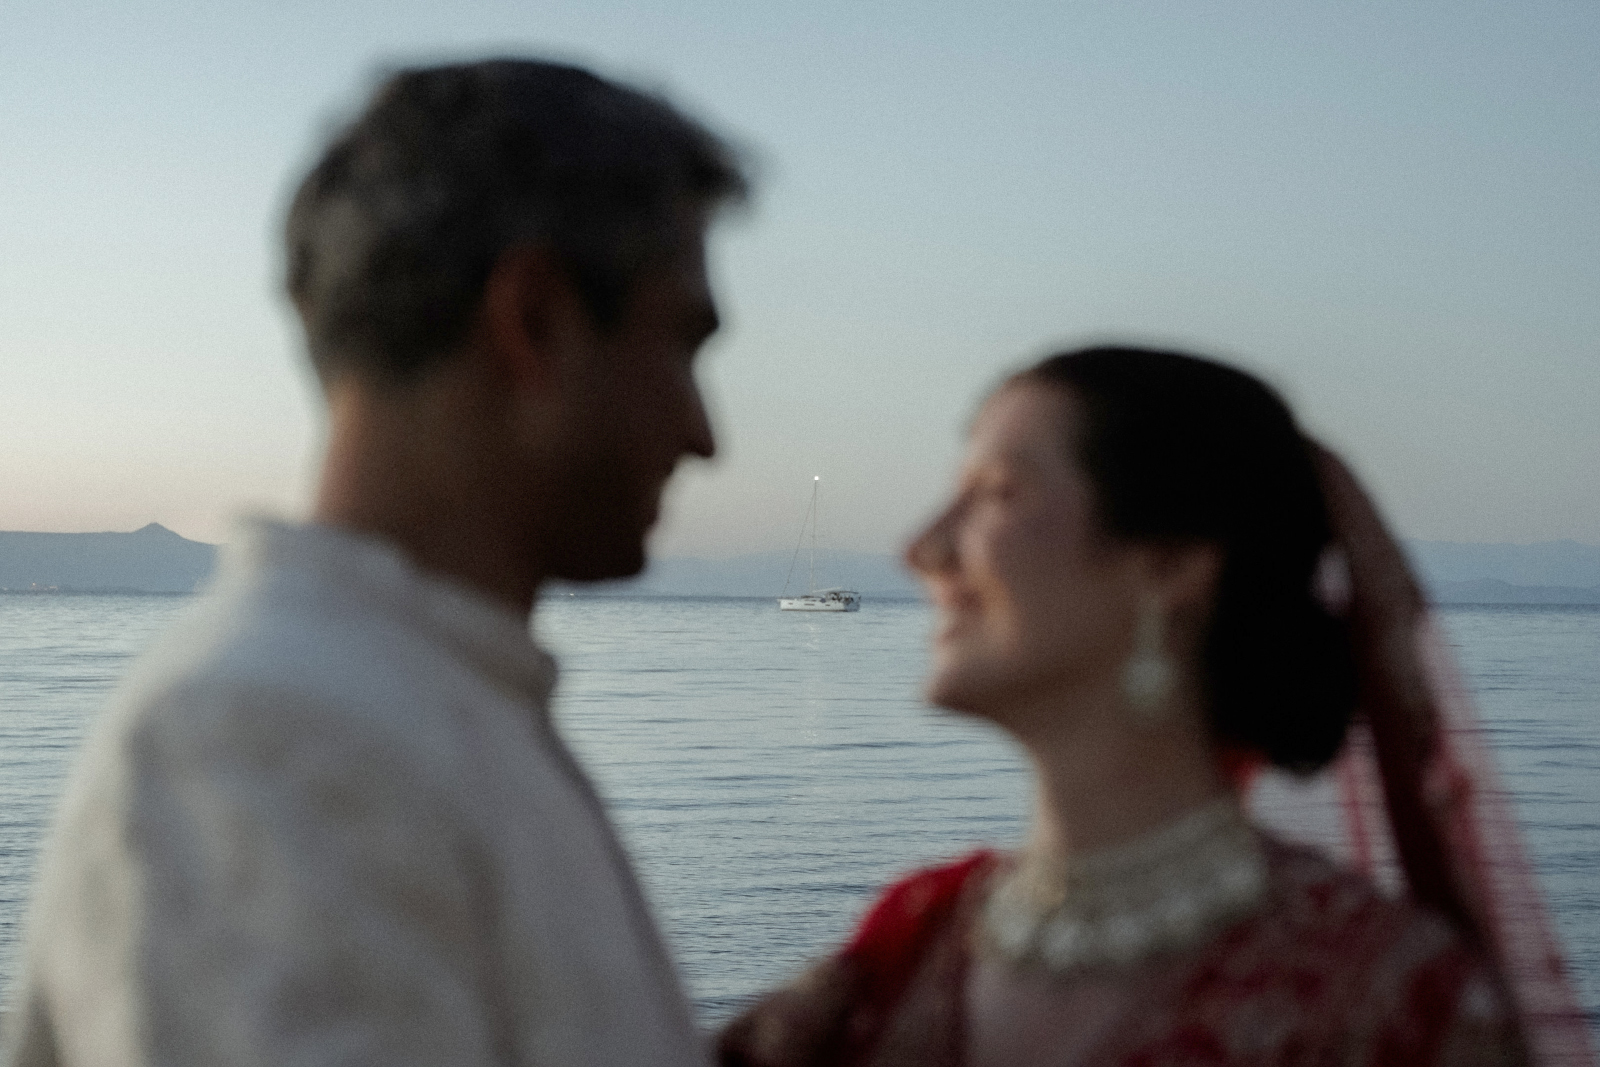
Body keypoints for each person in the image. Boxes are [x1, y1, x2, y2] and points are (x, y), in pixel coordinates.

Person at [4, 58, 746, 1067]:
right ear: (533, 319)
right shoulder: (276, 741)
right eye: (683, 345)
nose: (704, 434)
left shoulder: (401, 707)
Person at [720, 348, 1594, 1067]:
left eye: (997, 493)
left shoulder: (1391, 1003)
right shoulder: (902, 950)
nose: (921, 547)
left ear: (1169, 566)